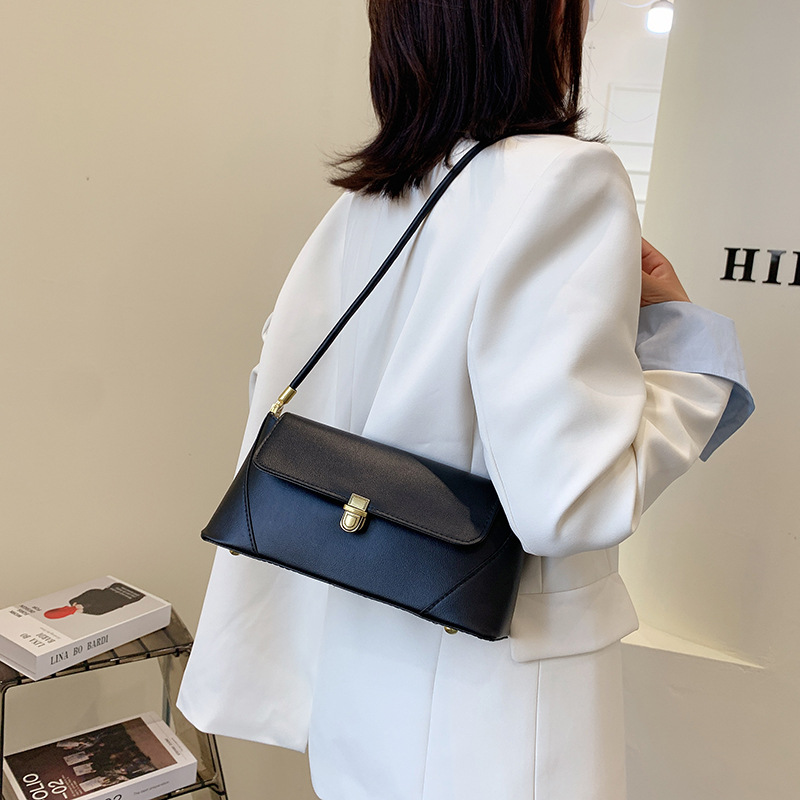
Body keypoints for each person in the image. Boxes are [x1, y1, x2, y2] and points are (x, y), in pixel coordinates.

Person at [176, 0, 754, 797]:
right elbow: (570, 504)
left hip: (358, 670)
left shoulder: (370, 199)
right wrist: (691, 356)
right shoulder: (568, 180)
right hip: (497, 712)